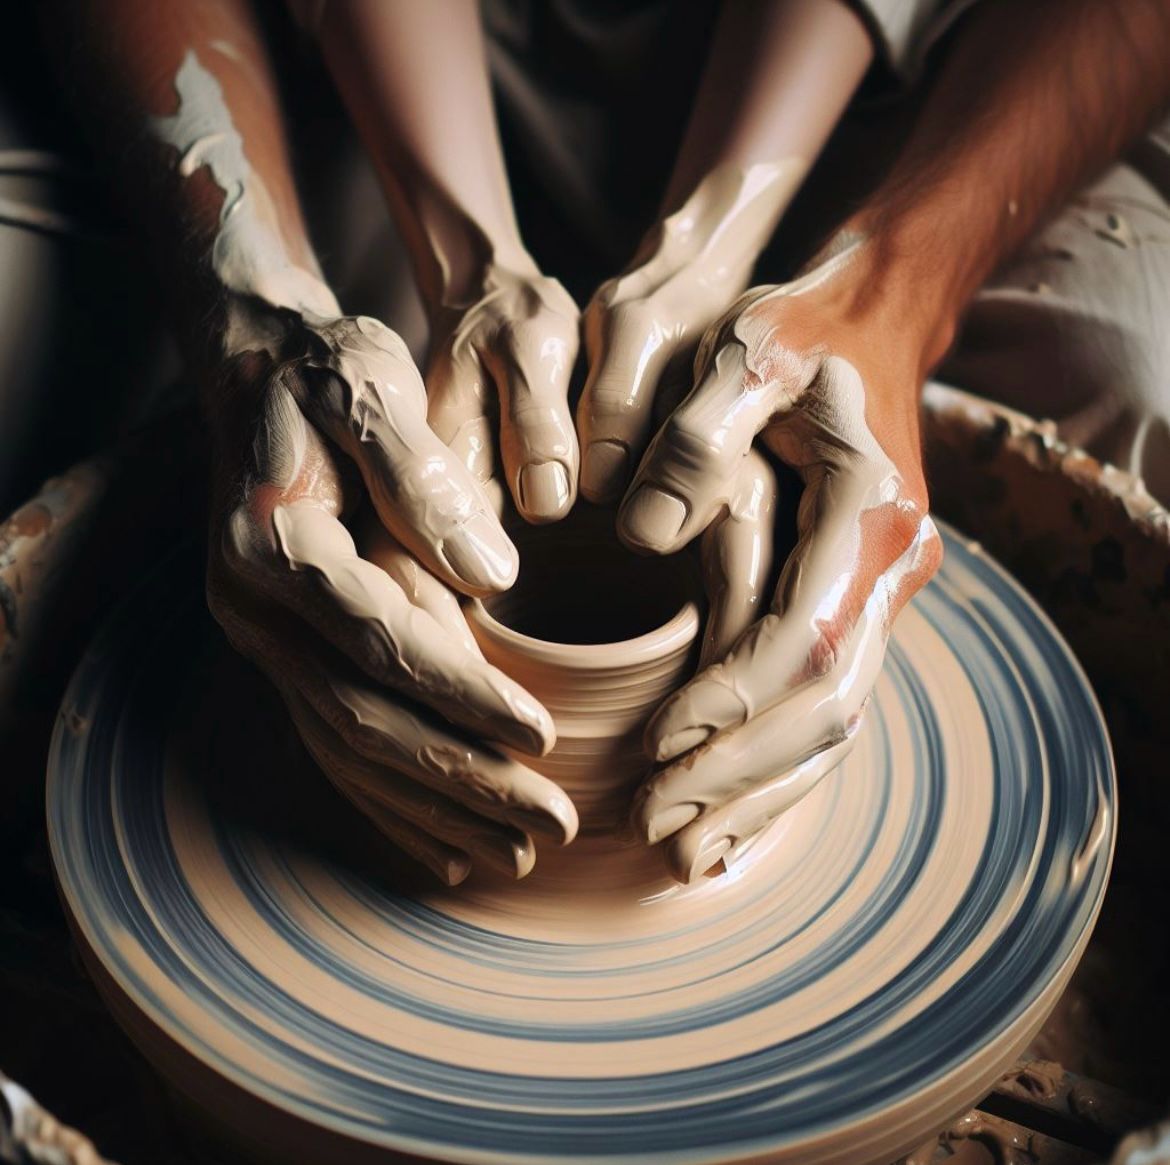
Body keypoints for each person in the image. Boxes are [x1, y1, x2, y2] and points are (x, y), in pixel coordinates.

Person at [37, 0, 1170, 888]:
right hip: (345, 69)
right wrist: (259, 303)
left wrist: (886, 292)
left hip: (922, 81)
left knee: (1133, 371)